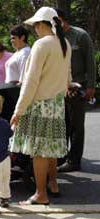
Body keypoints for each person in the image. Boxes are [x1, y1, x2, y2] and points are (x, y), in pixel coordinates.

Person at [10, 7, 71, 205]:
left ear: (41, 24)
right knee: (50, 148)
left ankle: (40, 194)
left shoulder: (41, 45)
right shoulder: (65, 43)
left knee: (39, 152)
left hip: (40, 104)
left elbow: (31, 81)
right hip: (57, 104)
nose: (34, 28)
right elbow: (67, 77)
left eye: (36, 24)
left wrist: (18, 109)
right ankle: (53, 184)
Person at [55, 8, 97, 172]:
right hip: (59, 87)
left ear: (63, 19)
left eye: (55, 21)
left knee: (76, 125)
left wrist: (91, 86)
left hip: (78, 86)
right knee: (63, 124)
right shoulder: (54, 38)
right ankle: (61, 157)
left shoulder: (80, 35)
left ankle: (74, 161)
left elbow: (91, 62)